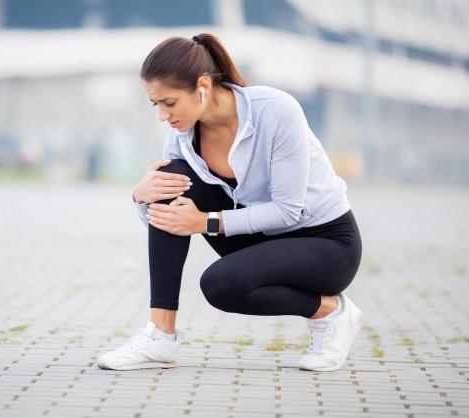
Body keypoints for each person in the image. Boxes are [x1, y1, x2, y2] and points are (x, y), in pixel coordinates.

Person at [96, 33, 363, 372]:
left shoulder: (276, 110)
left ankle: (331, 313)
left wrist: (205, 221)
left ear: (202, 86)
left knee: (220, 285)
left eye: (169, 102)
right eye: (156, 104)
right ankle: (160, 335)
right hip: (261, 237)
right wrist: (141, 197)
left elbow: (287, 210)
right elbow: (168, 222)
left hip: (325, 245)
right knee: (169, 178)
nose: (163, 115)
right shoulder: (182, 135)